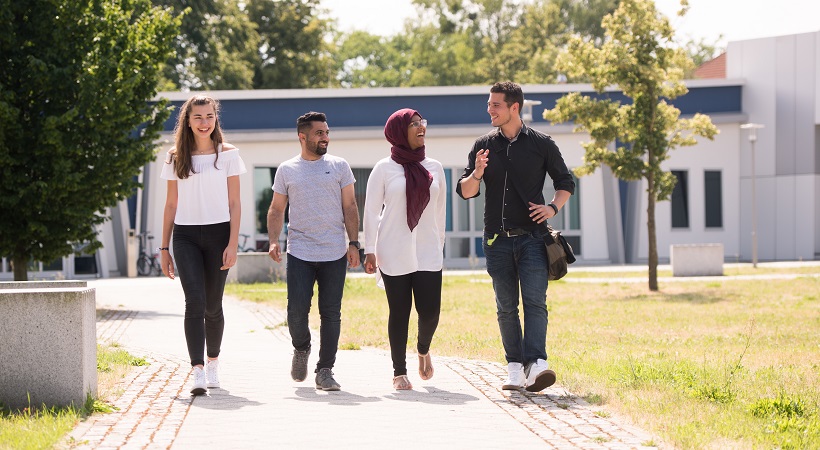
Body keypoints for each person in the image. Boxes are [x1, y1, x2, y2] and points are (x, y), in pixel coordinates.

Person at [456, 82, 575, 392]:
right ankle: (514, 367)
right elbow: (466, 191)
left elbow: (565, 181)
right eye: (489, 104)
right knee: (506, 306)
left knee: (535, 302)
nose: (489, 109)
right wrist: (477, 172)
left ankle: (537, 364)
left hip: (533, 238)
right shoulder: (483, 146)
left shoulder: (541, 144)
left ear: (514, 108)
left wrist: (552, 207)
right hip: (496, 240)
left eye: (496, 104)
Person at [159, 94, 247, 396]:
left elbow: (235, 203)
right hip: (184, 237)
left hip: (219, 235)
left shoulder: (229, 154)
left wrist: (233, 243)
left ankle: (213, 363)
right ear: (188, 120)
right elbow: (170, 205)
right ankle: (196, 370)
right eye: (198, 117)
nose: (204, 122)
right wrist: (163, 249)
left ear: (215, 119)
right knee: (193, 301)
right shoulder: (174, 157)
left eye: (209, 116)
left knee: (213, 304)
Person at [267, 111, 361, 392]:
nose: (325, 138)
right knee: (296, 311)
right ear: (302, 136)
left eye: (327, 132)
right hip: (300, 251)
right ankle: (301, 348)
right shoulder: (287, 169)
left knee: (331, 313)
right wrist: (273, 240)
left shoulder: (340, 166)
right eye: (320, 133)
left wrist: (353, 243)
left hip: (334, 251)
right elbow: (276, 209)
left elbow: (350, 207)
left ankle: (325, 370)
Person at [363, 108, 447, 391]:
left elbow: (440, 212)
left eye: (422, 122)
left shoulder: (434, 167)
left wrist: (440, 246)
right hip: (393, 249)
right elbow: (372, 210)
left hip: (427, 250)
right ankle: (399, 371)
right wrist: (369, 249)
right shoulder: (384, 168)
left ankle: (423, 349)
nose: (421, 127)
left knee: (430, 312)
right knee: (399, 312)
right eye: (414, 124)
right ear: (399, 131)